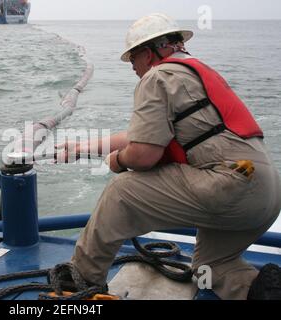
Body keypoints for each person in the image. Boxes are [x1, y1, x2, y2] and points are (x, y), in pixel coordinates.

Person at [58, 14, 281, 300]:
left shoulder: (156, 76)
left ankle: (80, 284)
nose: (133, 70)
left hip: (229, 186)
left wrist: (119, 161)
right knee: (211, 269)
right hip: (266, 193)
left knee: (121, 193)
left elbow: (143, 154)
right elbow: (143, 136)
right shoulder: (192, 73)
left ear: (148, 54)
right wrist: (80, 148)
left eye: (133, 61)